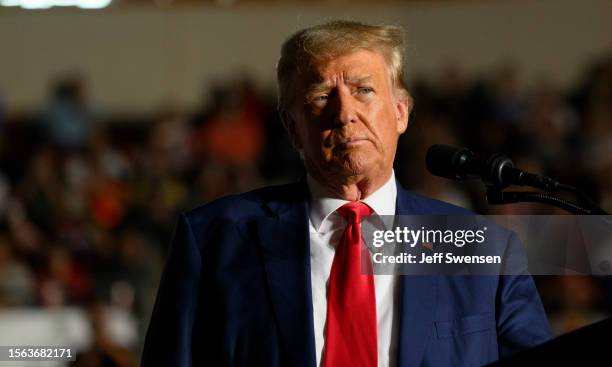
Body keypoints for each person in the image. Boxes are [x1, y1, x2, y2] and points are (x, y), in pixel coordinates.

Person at [141, 20, 552, 367]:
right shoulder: (213, 239)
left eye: (364, 90)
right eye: (321, 96)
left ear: (401, 112)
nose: (344, 113)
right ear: (292, 127)